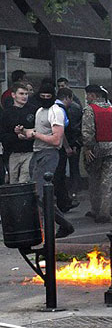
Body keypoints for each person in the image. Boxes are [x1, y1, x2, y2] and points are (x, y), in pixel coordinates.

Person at [15, 83, 74, 238]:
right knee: (38, 194)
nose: (45, 99)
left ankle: (63, 225)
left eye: (49, 96)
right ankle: (48, 227)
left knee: (41, 194)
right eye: (43, 96)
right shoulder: (40, 111)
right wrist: (23, 133)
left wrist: (34, 134)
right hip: (37, 153)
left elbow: (56, 140)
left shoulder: (56, 112)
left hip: (49, 154)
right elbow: (37, 134)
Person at [81, 84, 112, 223]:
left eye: (88, 95)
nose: (87, 98)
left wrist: (87, 148)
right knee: (108, 181)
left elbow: (88, 132)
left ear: (93, 95)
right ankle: (105, 211)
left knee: (94, 180)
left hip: (96, 149)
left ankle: (96, 209)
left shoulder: (89, 110)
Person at [0, 82, 37, 184]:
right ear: (13, 95)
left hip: (29, 151)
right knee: (13, 182)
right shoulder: (7, 113)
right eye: (21, 94)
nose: (24, 96)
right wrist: (16, 136)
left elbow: (40, 129)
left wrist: (29, 133)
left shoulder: (33, 110)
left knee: (24, 181)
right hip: (13, 153)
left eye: (26, 94)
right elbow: (2, 134)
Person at [53, 87, 82, 213]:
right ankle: (62, 202)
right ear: (68, 97)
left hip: (54, 146)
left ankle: (64, 201)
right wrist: (68, 147)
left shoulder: (53, 108)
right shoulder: (61, 110)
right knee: (59, 175)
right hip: (59, 147)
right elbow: (62, 131)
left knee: (59, 175)